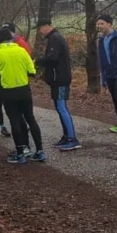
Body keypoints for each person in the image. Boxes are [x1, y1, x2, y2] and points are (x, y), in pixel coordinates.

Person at [0, 27, 45, 164]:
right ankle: (40, 151)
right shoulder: (22, 51)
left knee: (15, 121)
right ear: (12, 38)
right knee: (31, 119)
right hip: (24, 90)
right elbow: (32, 71)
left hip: (8, 92)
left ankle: (20, 154)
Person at [35, 19, 80, 151]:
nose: (40, 31)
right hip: (56, 79)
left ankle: (72, 138)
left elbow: (53, 58)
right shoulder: (53, 38)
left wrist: (37, 62)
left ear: (46, 26)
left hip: (60, 78)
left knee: (62, 107)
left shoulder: (55, 38)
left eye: (40, 28)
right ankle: (66, 136)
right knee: (59, 107)